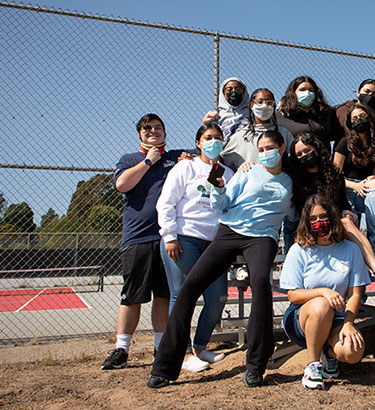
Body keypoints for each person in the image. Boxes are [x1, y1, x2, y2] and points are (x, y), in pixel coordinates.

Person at [148, 130, 294, 389]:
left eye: (270, 148)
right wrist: (217, 188)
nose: (265, 154)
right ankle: (165, 366)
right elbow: (223, 205)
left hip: (262, 237)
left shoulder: (291, 181)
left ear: (282, 148)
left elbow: (294, 214)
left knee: (261, 285)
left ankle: (255, 366)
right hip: (229, 231)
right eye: (261, 150)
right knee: (188, 289)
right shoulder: (246, 172)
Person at [102, 114, 192, 370]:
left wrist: (189, 158)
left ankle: (159, 348)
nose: (153, 131)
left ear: (165, 132)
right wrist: (147, 161)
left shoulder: (177, 157)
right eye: (147, 128)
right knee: (132, 296)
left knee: (164, 295)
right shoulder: (129, 160)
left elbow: (206, 152)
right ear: (139, 133)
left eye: (158, 128)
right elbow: (121, 185)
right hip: (138, 237)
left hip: (169, 237)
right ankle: (121, 349)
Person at [155, 123, 235, 372]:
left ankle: (200, 346)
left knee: (218, 297)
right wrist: (169, 236)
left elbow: (229, 207)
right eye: (208, 138)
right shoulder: (185, 166)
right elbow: (166, 203)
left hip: (214, 244)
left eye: (218, 138)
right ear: (198, 143)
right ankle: (184, 353)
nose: (213, 141)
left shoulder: (228, 173)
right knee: (181, 296)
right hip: (184, 239)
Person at [289, 133, 375, 290]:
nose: (304, 156)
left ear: (317, 149)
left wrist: (347, 211)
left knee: (347, 221)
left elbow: (342, 202)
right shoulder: (296, 178)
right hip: (311, 227)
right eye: (299, 154)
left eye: (307, 150)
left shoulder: (333, 174)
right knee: (347, 225)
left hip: (334, 226)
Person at [279, 195, 369, 390]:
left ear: (333, 217)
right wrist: (323, 292)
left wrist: (348, 324)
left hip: (337, 318)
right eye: (313, 219)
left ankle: (329, 353)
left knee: (353, 352)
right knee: (322, 304)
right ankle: (313, 366)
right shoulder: (299, 250)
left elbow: (355, 294)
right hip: (303, 318)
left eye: (323, 216)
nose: (318, 223)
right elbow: (293, 296)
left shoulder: (351, 250)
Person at [333, 103, 375, 253]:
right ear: (350, 123)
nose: (359, 120)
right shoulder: (344, 143)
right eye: (355, 118)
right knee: (351, 224)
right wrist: (355, 186)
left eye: (362, 116)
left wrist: (366, 184)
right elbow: (334, 176)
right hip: (345, 188)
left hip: (366, 189)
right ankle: (353, 246)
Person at [335, 79, 375, 190]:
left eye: (374, 94)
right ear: (358, 92)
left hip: (369, 176)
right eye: (367, 91)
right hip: (347, 173)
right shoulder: (342, 110)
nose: (370, 96)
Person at [220, 88, 294, 171]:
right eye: (260, 102)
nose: (264, 106)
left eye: (269, 103)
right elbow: (223, 162)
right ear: (251, 105)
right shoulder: (241, 136)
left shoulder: (284, 133)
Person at [276, 76, 343, 153]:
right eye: (302, 90)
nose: (307, 93)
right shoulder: (281, 115)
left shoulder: (326, 114)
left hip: (323, 162)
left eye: (311, 90)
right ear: (293, 93)